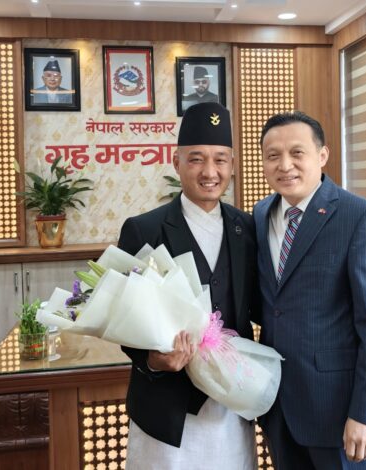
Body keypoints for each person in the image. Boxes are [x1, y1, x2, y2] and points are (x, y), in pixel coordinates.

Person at [253, 111, 366, 469]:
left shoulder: (359, 216)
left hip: (342, 413)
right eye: (273, 155)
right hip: (280, 409)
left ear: (322, 156)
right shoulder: (260, 214)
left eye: (297, 153)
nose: (284, 165)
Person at [117, 102, 259, 469]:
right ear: (177, 162)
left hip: (231, 404)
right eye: (196, 159)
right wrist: (153, 360)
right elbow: (122, 320)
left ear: (232, 164)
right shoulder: (144, 230)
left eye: (220, 160)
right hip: (166, 413)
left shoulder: (248, 229)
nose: (210, 172)